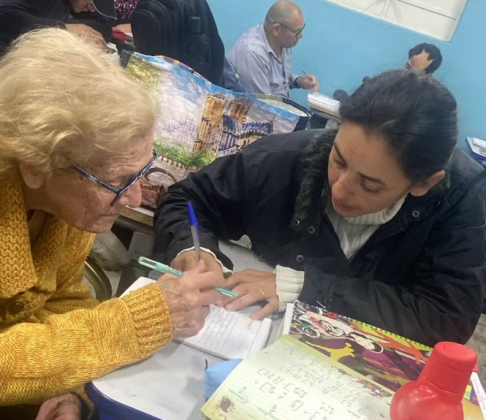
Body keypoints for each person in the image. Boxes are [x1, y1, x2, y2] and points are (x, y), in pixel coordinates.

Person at [154, 69, 486, 348]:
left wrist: (302, 288)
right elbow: (186, 200)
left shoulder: (461, 199)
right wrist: (192, 250)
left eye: (369, 185)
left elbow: (445, 319)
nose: (339, 188)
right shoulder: (285, 160)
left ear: (423, 183)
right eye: (338, 160)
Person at [0, 29, 226, 420]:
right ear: (36, 165)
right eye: (117, 182)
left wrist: (71, 390)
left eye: (142, 174)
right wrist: (132, 323)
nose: (135, 200)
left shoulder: (66, 208)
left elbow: (62, 301)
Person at [227, 0, 318, 98]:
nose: (300, 36)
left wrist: (299, 81)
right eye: (297, 31)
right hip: (255, 109)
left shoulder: (283, 42)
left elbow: (280, 79)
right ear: (276, 29)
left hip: (275, 106)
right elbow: (262, 106)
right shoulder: (252, 53)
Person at [0, 0, 115, 55]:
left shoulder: (74, 3)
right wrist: (63, 28)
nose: (92, 8)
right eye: (93, 2)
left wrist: (79, 29)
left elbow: (105, 28)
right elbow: (5, 14)